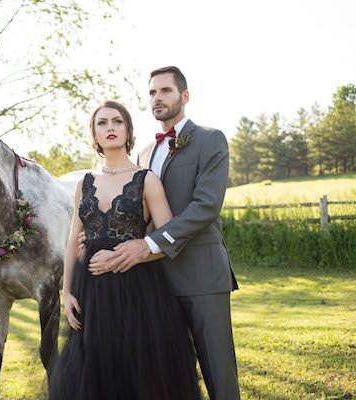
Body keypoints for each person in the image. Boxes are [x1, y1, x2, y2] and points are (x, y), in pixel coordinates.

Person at [88, 66, 240, 400]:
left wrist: (149, 244)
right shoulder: (143, 153)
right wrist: (98, 235)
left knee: (218, 372)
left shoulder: (210, 139)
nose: (158, 98)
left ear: (184, 96)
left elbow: (205, 207)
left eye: (166, 91)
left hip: (202, 276)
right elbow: (135, 212)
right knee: (172, 373)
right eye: (153, 92)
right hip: (154, 283)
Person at [48, 100, 201, 399]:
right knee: (92, 369)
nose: (110, 128)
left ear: (128, 129)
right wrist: (66, 293)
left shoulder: (147, 180)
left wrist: (129, 253)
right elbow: (72, 240)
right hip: (90, 292)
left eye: (117, 121)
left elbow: (171, 239)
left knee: (136, 371)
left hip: (138, 293)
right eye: (102, 123)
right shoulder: (85, 183)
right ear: (94, 134)